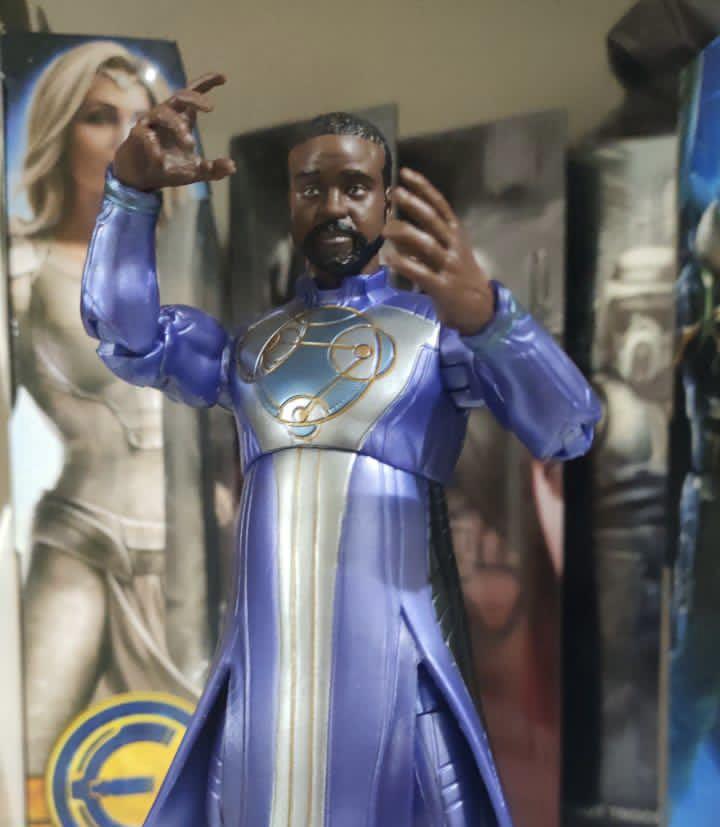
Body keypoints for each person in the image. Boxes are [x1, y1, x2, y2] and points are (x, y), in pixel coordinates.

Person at [81, 73, 601, 827]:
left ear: (387, 202)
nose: (332, 206)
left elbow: (569, 426)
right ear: (290, 202)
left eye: (355, 187)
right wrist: (129, 197)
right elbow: (126, 338)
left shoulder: (432, 336)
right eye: (311, 188)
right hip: (266, 681)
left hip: (392, 672)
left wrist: (493, 320)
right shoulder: (249, 346)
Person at [10, 41, 202, 815]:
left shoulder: (188, 260)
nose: (127, 136)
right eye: (100, 117)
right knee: (29, 762)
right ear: (60, 131)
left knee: (193, 770)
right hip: (82, 540)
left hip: (193, 552)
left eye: (140, 118)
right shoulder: (21, 266)